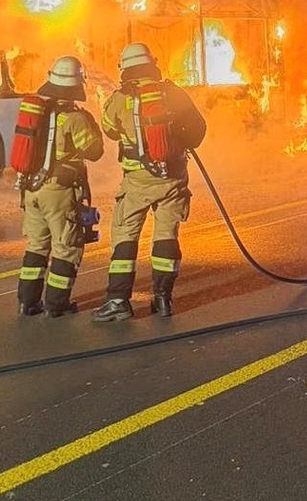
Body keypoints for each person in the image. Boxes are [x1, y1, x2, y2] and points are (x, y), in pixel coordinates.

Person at [92, 41, 207, 321]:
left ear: (124, 68)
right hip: (173, 179)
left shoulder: (120, 99)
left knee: (125, 236)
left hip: (137, 182)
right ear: (152, 64)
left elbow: (109, 130)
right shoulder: (173, 93)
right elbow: (198, 129)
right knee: (167, 236)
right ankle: (163, 299)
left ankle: (118, 301)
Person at [16, 56, 104, 318]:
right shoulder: (74, 117)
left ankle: (27, 302)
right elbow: (94, 151)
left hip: (32, 189)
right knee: (66, 246)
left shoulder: (38, 113)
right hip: (58, 192)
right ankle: (56, 303)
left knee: (36, 245)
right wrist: (92, 124)